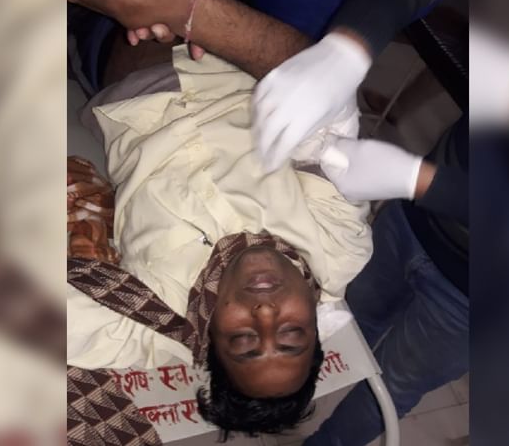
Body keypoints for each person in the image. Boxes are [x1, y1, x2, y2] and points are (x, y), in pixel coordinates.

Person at [66, 40, 373, 438]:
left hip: (113, 66)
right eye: (291, 333)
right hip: (233, 52)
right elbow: (326, 126)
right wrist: (206, 25)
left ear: (211, 345)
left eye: (244, 339)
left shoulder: (159, 319)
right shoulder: (340, 249)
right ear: (316, 327)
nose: (265, 313)